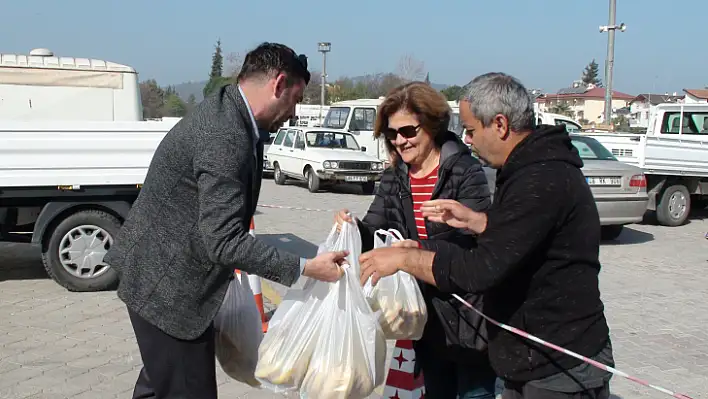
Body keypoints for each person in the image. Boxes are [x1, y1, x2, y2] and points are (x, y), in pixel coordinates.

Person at [104, 42, 349, 399]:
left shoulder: (231, 111)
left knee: (159, 387)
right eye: (294, 101)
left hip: (161, 279)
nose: (293, 114)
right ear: (278, 84)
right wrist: (306, 266)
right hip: (169, 292)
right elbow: (224, 243)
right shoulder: (225, 134)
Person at [359, 72, 614, 399]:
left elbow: (481, 268)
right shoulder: (525, 170)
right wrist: (481, 221)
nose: (467, 140)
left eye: (470, 130)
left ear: (500, 125)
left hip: (558, 363)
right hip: (524, 358)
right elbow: (520, 235)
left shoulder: (541, 178)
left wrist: (409, 257)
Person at [336, 81, 496, 398]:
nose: (399, 141)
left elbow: (476, 249)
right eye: (392, 134)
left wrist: (414, 253)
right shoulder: (395, 177)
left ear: (432, 124)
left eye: (408, 131)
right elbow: (375, 227)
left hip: (470, 318)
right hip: (425, 319)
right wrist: (351, 228)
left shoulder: (464, 172)